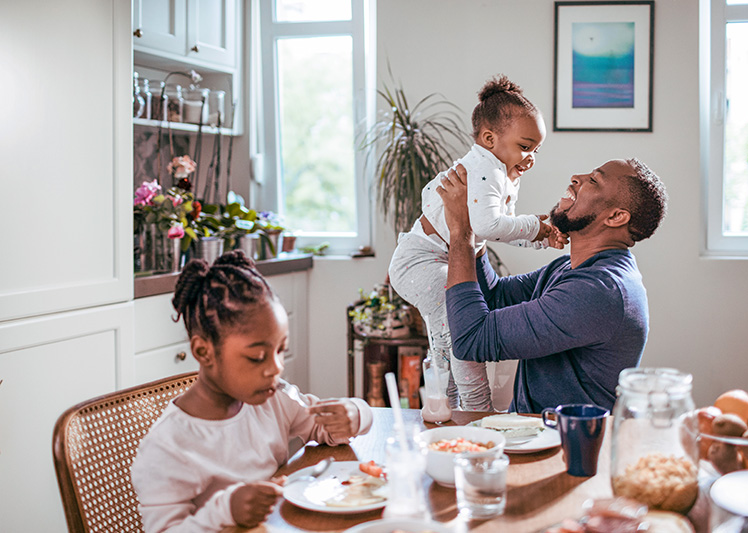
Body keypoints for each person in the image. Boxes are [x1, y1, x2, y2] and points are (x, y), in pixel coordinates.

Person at [131, 251, 373, 532]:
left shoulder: (273, 399)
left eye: (280, 350)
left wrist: (354, 414)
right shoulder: (168, 446)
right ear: (203, 351)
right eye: (258, 356)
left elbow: (328, 430)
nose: (276, 367)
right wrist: (226, 510)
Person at [388, 74, 563, 412]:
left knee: (446, 339)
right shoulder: (486, 171)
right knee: (460, 334)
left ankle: (446, 407)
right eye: (524, 146)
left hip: (439, 261)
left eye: (536, 150)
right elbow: (489, 225)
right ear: (488, 138)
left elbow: (497, 231)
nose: (530, 158)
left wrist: (543, 238)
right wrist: (537, 227)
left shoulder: (502, 173)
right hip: (419, 263)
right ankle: (476, 409)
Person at [437, 158, 667, 413]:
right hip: (534, 434)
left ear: (615, 217)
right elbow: (493, 297)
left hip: (570, 446)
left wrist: (461, 233)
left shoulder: (598, 291)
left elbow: (471, 340)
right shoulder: (570, 269)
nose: (576, 177)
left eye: (594, 180)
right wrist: (477, 229)